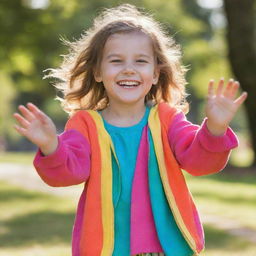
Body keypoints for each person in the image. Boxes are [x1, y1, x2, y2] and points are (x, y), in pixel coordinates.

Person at [13, 4, 247, 256]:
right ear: (98, 72)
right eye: (116, 61)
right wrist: (51, 146)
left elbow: (199, 163)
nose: (129, 69)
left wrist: (215, 127)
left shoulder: (167, 119)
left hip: (166, 247)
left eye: (140, 61)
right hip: (107, 248)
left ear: (156, 74)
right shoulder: (85, 124)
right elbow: (68, 173)